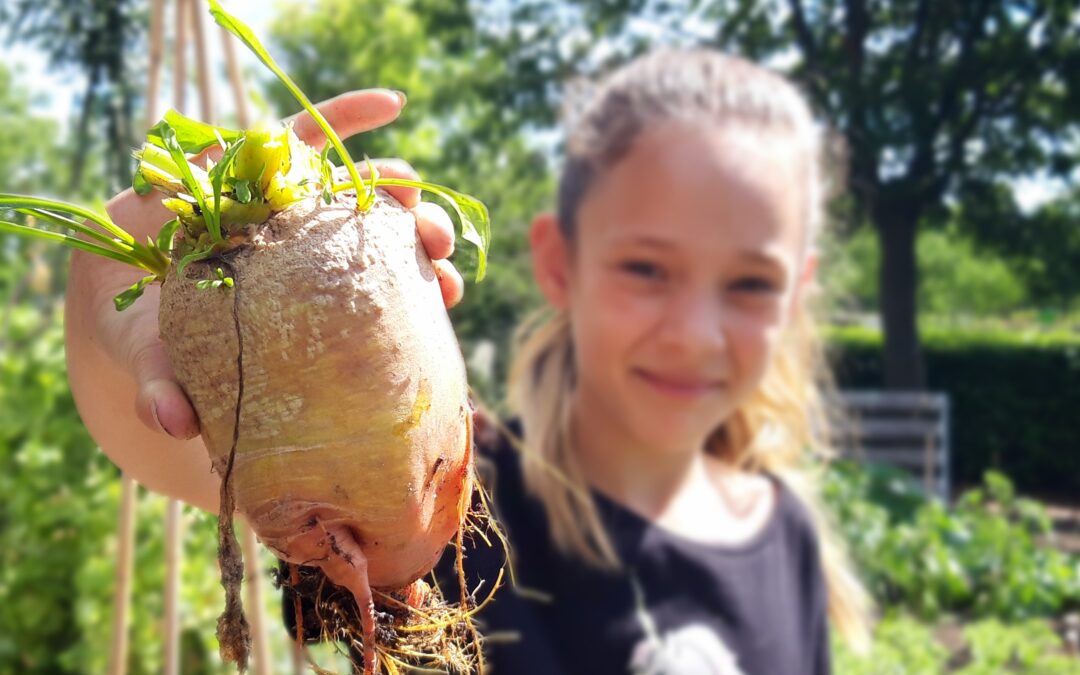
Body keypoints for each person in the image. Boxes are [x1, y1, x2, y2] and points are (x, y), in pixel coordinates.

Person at [66, 51, 870, 674]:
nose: (695, 331)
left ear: (796, 294)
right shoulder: (457, 486)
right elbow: (169, 446)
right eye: (647, 269)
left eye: (750, 283)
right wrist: (134, 316)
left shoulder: (785, 537)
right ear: (560, 263)